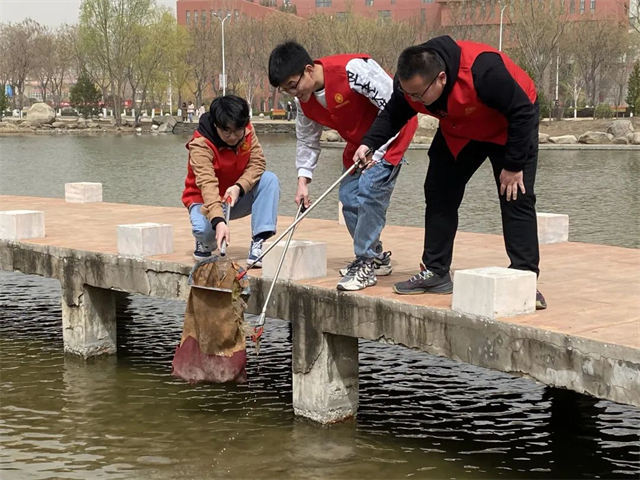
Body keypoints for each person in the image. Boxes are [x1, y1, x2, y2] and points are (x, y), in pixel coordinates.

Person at [353, 35, 547, 309]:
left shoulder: (484, 71)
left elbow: (523, 114)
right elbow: (394, 113)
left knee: (515, 196)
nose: (413, 100)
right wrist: (368, 143)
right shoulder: (410, 83)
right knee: (439, 191)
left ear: (442, 78)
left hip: (510, 127)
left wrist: (514, 166)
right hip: (461, 128)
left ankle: (525, 279)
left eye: (419, 95)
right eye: (409, 94)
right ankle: (436, 270)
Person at [268, 41, 418, 291]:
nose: (293, 93)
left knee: (370, 190)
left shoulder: (353, 70)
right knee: (348, 197)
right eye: (286, 90)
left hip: (391, 134)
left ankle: (366, 263)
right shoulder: (303, 101)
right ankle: (377, 257)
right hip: (358, 143)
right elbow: (307, 140)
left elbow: (395, 105)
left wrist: (376, 150)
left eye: (293, 85)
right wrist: (302, 181)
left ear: (308, 70)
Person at [182, 95, 280, 266]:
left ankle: (258, 241)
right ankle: (205, 242)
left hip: (234, 197)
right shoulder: (200, 144)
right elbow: (207, 184)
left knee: (269, 179)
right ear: (215, 125)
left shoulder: (247, 131)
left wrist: (239, 187)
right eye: (227, 131)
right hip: (205, 200)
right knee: (204, 231)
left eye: (238, 130)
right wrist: (219, 221)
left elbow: (257, 163)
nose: (233, 136)